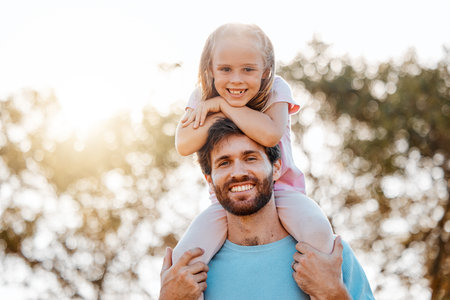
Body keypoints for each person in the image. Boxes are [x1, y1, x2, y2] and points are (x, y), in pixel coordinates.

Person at [173, 22, 333, 274]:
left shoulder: (275, 89)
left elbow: (269, 134)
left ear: (265, 70)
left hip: (282, 191)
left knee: (319, 233)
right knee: (184, 258)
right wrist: (213, 105)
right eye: (225, 69)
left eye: (248, 69)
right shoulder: (201, 96)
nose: (236, 79)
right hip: (226, 200)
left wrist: (224, 107)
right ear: (210, 69)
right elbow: (184, 144)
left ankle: (321, 290)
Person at [160, 118, 375, 299]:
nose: (238, 172)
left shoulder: (328, 255)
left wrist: (333, 293)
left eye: (250, 158)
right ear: (209, 179)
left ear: (277, 168)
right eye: (224, 163)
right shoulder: (189, 275)